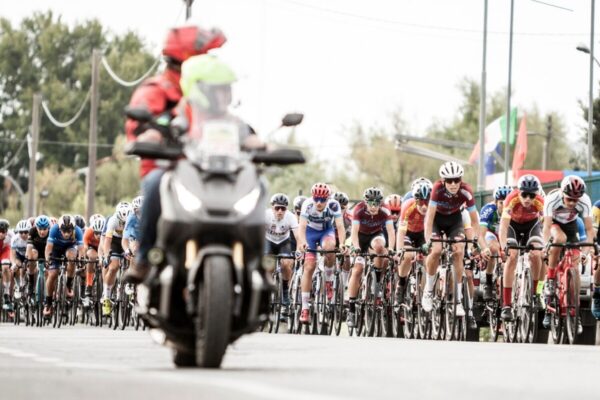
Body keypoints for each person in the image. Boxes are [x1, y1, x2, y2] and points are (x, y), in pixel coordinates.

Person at [124, 26, 227, 283]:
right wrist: (150, 134)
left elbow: (230, 123)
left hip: (209, 170)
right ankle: (144, 258)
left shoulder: (209, 91)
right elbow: (139, 124)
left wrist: (255, 140)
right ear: (188, 59)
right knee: (156, 183)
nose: (210, 61)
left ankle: (255, 264)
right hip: (169, 168)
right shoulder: (156, 89)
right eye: (205, 55)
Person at [422, 162, 482, 317]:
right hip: (436, 220)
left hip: (455, 221)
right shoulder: (437, 189)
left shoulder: (466, 191)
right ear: (443, 181)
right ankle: (428, 291)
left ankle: (458, 300)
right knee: (436, 250)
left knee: (459, 251)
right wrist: (428, 240)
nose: (453, 184)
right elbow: (429, 218)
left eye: (457, 180)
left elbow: (475, 222)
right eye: (449, 181)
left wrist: (476, 241)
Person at [542, 176, 594, 330]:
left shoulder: (585, 200)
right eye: (569, 199)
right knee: (559, 239)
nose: (572, 203)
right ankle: (551, 278)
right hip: (553, 224)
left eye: (575, 200)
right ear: (562, 193)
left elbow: (589, 230)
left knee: (575, 267)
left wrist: (585, 253)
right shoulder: (552, 199)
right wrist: (546, 246)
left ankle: (575, 312)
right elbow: (546, 227)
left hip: (571, 224)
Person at [296, 183, 346, 324]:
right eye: (316, 199)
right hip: (310, 234)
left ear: (327, 199)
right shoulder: (307, 204)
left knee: (330, 248)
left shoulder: (334, 205)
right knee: (309, 266)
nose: (319, 202)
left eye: (322, 200)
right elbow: (302, 227)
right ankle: (305, 308)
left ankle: (329, 281)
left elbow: (340, 226)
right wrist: (302, 242)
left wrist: (342, 243)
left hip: (326, 232)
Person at [346, 187, 395, 327]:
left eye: (377, 203)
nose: (373, 207)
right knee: (357, 270)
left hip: (375, 235)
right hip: (360, 238)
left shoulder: (385, 210)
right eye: (371, 203)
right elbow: (354, 232)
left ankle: (377, 282)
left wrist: (391, 248)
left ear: (380, 203)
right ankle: (351, 309)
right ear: (365, 202)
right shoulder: (359, 209)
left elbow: (391, 231)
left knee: (380, 249)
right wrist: (356, 247)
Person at [497, 175, 544, 321]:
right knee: (512, 256)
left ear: (536, 194)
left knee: (537, 254)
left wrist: (546, 244)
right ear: (519, 192)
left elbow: (546, 224)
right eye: (524, 195)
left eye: (531, 195)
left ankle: (536, 294)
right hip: (513, 226)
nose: (528, 199)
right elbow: (503, 227)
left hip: (532, 226)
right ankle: (506, 305)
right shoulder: (511, 199)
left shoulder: (540, 201)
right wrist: (504, 247)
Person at [395, 181, 431, 309]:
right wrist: (400, 250)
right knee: (407, 255)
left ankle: (426, 292)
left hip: (423, 234)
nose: (424, 206)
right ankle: (401, 284)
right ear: (415, 200)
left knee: (430, 260)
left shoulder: (433, 208)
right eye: (420, 202)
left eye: (427, 202)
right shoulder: (408, 206)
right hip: (408, 233)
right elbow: (401, 231)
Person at [44, 215, 84, 317]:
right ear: (59, 228)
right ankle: (48, 302)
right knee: (52, 274)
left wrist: (81, 259)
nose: (66, 234)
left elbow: (81, 249)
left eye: (69, 231)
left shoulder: (78, 231)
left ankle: (68, 285)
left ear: (73, 229)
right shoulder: (54, 229)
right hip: (56, 249)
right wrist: (47, 259)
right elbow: (48, 247)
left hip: (70, 248)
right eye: (64, 231)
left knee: (72, 258)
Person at [264, 193, 298, 315]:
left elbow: (298, 235)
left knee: (286, 263)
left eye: (283, 208)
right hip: (268, 241)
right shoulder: (266, 215)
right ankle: (267, 293)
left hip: (284, 242)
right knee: (268, 265)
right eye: (277, 208)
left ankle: (285, 292)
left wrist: (300, 248)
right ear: (272, 207)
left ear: (286, 209)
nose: (280, 211)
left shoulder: (290, 217)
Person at [479, 185, 512, 301]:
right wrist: (485, 248)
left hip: (507, 234)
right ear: (496, 202)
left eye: (507, 203)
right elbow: (481, 235)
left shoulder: (514, 210)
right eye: (501, 203)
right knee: (493, 248)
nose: (505, 206)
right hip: (491, 233)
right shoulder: (488, 210)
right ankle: (488, 283)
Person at [101, 202, 132, 316]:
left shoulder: (134, 219)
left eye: (126, 222)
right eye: (122, 222)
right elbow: (107, 241)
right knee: (113, 267)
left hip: (128, 240)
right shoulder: (113, 220)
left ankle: (131, 287)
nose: (124, 224)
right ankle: (106, 297)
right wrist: (106, 256)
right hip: (115, 241)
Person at [25, 215, 50, 297]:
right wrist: (28, 258)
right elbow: (29, 246)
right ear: (36, 227)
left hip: (47, 250)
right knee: (32, 256)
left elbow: (53, 248)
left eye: (45, 229)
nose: (42, 232)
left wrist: (49, 260)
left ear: (48, 228)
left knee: (50, 270)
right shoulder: (32, 231)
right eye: (40, 229)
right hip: (36, 250)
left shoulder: (51, 232)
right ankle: (31, 281)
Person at [82, 215, 105, 302]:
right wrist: (84, 260)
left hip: (102, 248)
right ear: (93, 230)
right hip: (92, 248)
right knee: (92, 257)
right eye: (96, 233)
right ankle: (89, 285)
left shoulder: (107, 232)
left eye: (100, 233)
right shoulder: (88, 231)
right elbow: (85, 246)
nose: (98, 236)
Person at [0, 219, 12, 311]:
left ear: (7, 231)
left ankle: (6, 292)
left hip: (5, 251)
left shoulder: (11, 235)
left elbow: (14, 249)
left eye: (3, 231)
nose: (1, 234)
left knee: (5, 267)